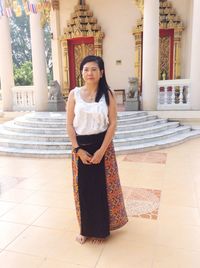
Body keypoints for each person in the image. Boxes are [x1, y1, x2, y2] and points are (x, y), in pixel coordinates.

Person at [66, 55, 128, 244]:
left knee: (104, 189)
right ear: (81, 72)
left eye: (94, 69)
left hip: (103, 146)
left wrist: (102, 150)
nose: (89, 73)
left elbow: (113, 123)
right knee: (83, 190)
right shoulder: (74, 94)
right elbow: (69, 124)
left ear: (101, 72)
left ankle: (102, 229)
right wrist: (77, 149)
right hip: (81, 148)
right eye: (86, 69)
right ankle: (85, 229)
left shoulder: (106, 94)